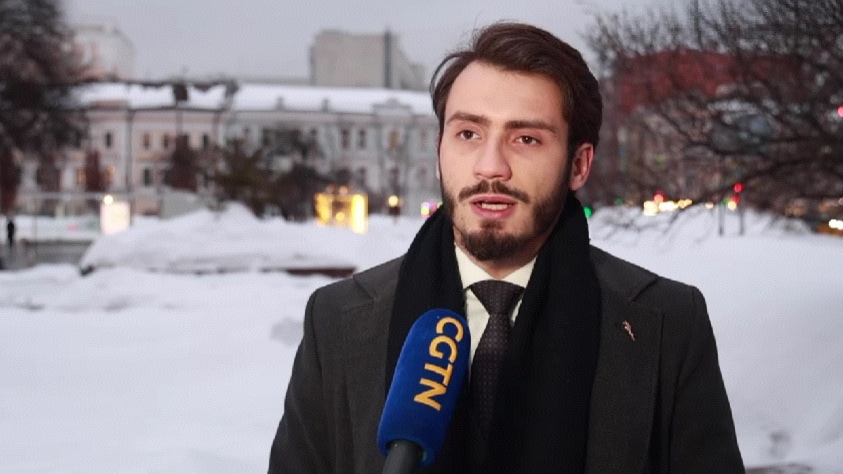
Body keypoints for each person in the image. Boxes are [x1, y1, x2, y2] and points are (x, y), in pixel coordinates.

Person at [269, 22, 744, 473]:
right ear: (439, 148)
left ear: (578, 165)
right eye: (468, 134)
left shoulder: (666, 324)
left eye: (526, 138)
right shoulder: (338, 321)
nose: (490, 166)